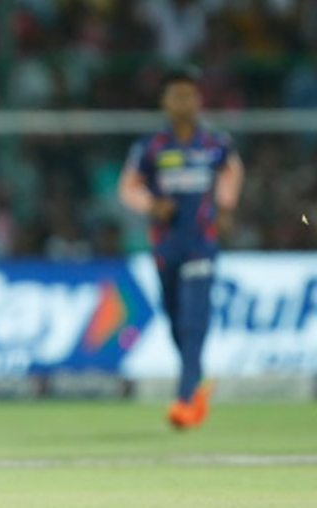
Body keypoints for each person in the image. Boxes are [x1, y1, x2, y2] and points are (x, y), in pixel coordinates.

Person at [117, 65, 243, 429]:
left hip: (202, 240)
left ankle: (185, 398)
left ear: (198, 100)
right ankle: (195, 378)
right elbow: (128, 188)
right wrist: (152, 205)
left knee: (193, 317)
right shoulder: (151, 146)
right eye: (176, 95)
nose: (183, 101)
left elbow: (232, 172)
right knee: (174, 315)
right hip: (166, 243)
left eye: (188, 94)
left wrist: (226, 207)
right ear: (165, 101)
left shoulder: (215, 143)